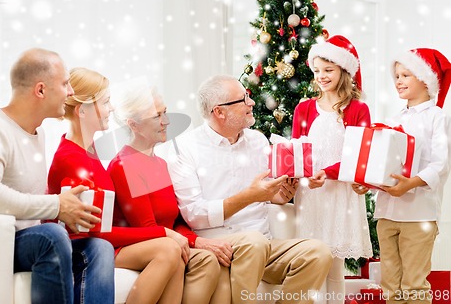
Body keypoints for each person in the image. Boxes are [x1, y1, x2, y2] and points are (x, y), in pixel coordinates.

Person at [0, 49, 115, 304]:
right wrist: (56, 205)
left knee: (100, 249)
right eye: (64, 83)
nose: (71, 92)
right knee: (51, 236)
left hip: (28, 239)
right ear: (40, 90)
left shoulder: (38, 135)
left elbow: (30, 201)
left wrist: (67, 210)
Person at [168, 74, 333, 304]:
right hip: (223, 245)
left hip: (264, 246)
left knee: (318, 252)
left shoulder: (257, 140)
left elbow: (269, 193)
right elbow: (194, 215)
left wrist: (281, 194)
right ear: (219, 112)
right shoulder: (186, 148)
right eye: (243, 99)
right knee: (253, 243)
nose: (251, 103)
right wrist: (248, 197)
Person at [47, 67, 185, 304]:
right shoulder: (72, 158)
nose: (111, 108)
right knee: (167, 248)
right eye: (105, 102)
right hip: (82, 248)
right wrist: (164, 232)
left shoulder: (89, 150)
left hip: (96, 241)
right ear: (83, 111)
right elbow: (95, 232)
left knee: (173, 251)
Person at [107, 84, 231, 304]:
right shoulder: (125, 164)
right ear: (133, 124)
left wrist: (195, 241)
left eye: (164, 112)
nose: (166, 121)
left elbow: (175, 221)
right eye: (157, 116)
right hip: (135, 247)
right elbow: (148, 228)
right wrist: (185, 240)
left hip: (166, 242)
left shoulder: (160, 163)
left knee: (209, 260)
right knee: (180, 253)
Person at [292, 35, 373, 303]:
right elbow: (296, 152)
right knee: (311, 262)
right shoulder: (303, 109)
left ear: (344, 71)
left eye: (328, 70)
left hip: (340, 195)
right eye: (317, 71)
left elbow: (357, 154)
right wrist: (305, 177)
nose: (321, 76)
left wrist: (328, 173)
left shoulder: (358, 109)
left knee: (335, 267)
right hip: (311, 195)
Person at [374, 48, 451, 304]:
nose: (398, 80)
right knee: (389, 287)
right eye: (396, 75)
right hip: (387, 213)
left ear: (426, 79)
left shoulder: (438, 118)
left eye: (406, 75)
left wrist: (411, 184)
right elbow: (382, 162)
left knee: (414, 286)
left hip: (419, 215)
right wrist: (367, 181)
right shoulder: (393, 119)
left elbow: (440, 164)